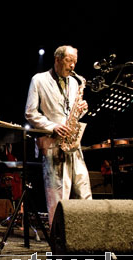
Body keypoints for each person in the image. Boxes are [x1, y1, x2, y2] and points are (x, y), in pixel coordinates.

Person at [24, 45, 92, 228]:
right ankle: (58, 240)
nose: (73, 67)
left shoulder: (75, 82)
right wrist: (53, 126)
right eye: (69, 61)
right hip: (53, 144)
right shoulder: (38, 80)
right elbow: (30, 113)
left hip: (73, 144)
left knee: (84, 190)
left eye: (75, 62)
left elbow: (70, 113)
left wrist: (80, 111)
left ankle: (88, 235)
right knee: (58, 197)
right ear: (57, 59)